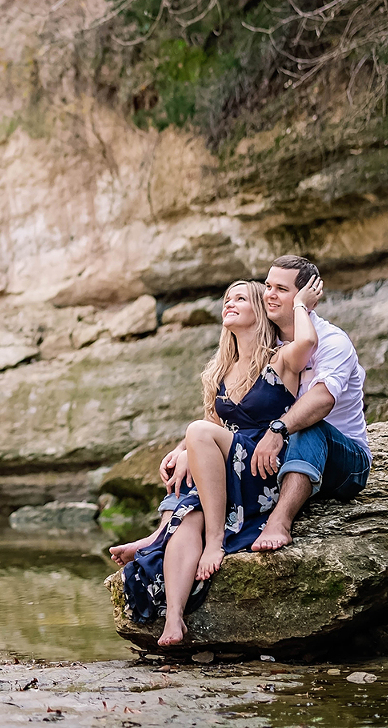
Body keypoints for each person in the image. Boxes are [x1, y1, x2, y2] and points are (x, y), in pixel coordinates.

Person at [119, 276, 323, 645]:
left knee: (195, 433)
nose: (229, 303)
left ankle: (214, 542)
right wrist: (183, 452)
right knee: (187, 517)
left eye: (240, 298)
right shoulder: (220, 371)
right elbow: (214, 424)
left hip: (260, 469)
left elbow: (308, 341)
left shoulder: (281, 359)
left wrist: (300, 304)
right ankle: (175, 619)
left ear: (258, 310)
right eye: (226, 298)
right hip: (226, 470)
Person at [248, 255, 373, 550]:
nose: (269, 295)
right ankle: (164, 534)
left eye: (281, 288)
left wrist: (278, 429)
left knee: (307, 424)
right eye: (267, 286)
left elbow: (321, 400)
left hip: (346, 461)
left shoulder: (332, 341)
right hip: (285, 451)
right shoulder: (264, 342)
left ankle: (280, 522)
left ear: (305, 296)